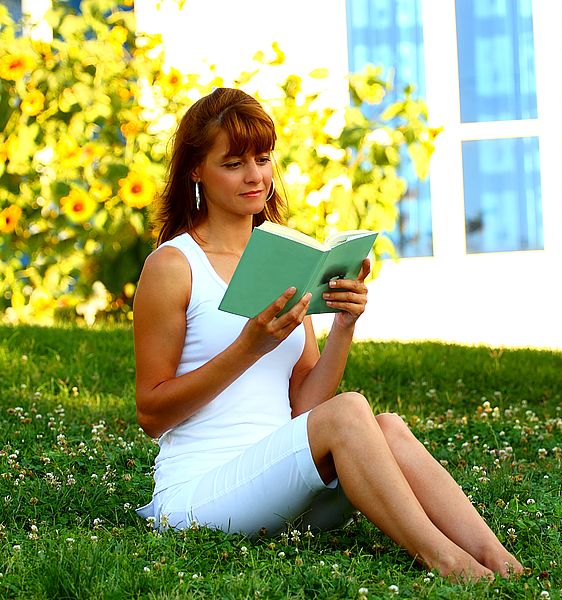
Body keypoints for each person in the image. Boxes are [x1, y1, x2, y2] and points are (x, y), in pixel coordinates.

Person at [133, 87, 523, 581]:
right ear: (196, 170)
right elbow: (151, 413)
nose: (255, 176)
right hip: (201, 495)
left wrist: (343, 325)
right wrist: (249, 347)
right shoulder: (173, 265)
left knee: (387, 427)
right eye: (233, 164)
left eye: (263, 158)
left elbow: (306, 408)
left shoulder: (279, 260)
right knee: (351, 411)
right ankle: (447, 562)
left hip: (283, 488)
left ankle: (502, 563)